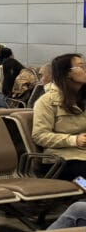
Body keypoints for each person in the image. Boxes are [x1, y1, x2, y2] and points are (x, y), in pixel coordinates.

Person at [32, 53, 86, 181]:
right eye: (81, 66)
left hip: (82, 157)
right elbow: (39, 135)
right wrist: (74, 140)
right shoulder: (47, 102)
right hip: (60, 162)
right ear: (67, 73)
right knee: (83, 177)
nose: (85, 70)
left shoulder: (83, 98)